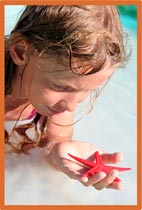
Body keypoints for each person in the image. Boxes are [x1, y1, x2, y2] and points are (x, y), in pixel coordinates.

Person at [5, 5, 129, 191]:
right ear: (21, 52)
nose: (71, 107)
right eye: (60, 86)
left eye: (86, 90)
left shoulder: (59, 103)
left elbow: (55, 144)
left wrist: (56, 154)